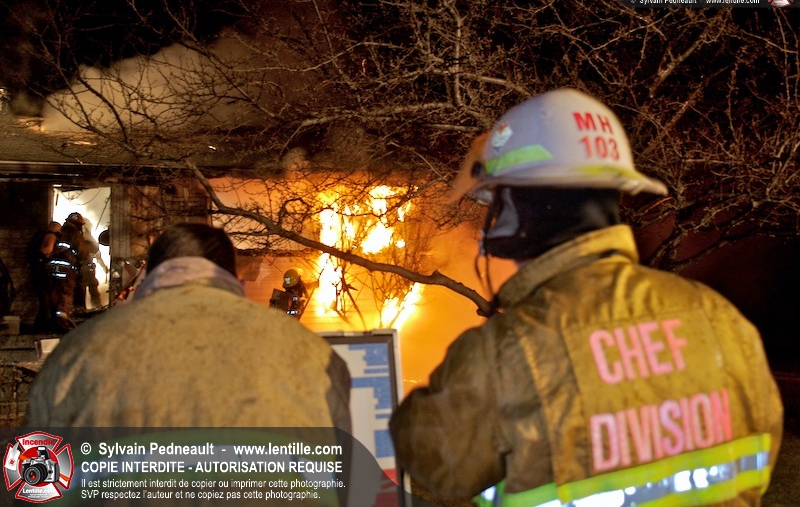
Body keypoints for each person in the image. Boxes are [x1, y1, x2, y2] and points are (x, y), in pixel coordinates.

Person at [389, 89, 783, 506]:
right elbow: (762, 444)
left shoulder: (509, 351)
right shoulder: (720, 319)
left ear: (515, 216)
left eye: (496, 205)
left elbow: (435, 461)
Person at [25, 222, 351, 430]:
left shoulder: (76, 354)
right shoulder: (313, 355)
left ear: (146, 278)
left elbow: (35, 483)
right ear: (237, 281)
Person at [26, 221, 61, 331]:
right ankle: (45, 325)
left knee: (44, 300)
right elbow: (46, 249)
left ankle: (41, 324)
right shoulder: (51, 236)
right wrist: (49, 257)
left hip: (37, 271)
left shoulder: (40, 235)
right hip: (43, 273)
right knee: (47, 300)